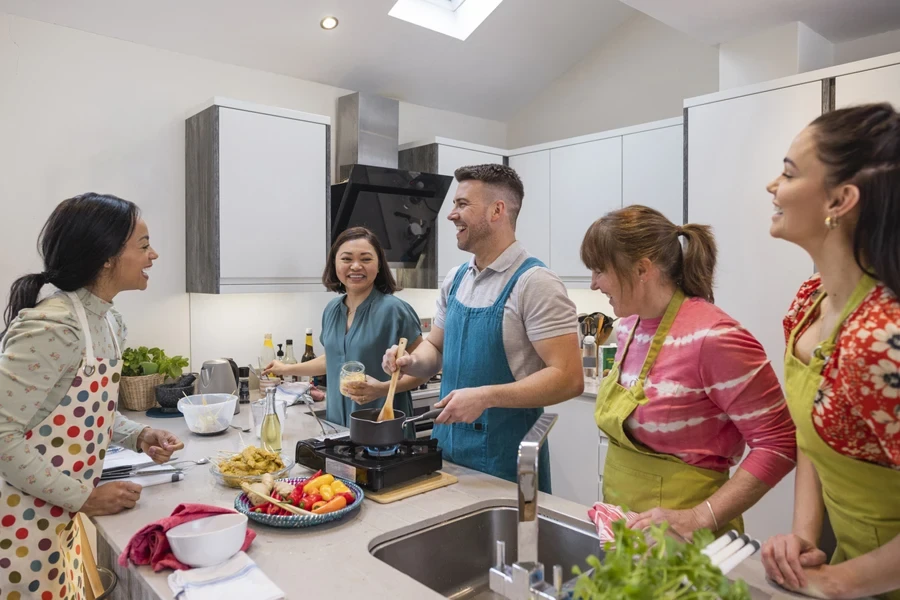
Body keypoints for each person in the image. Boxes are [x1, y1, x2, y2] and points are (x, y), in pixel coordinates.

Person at [0, 193, 183, 600]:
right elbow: (2, 436)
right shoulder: (53, 326)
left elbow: (83, 410)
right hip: (15, 517)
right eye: (142, 245)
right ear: (105, 257)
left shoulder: (110, 322)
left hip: (56, 511)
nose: (154, 255)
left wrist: (138, 435)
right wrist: (84, 496)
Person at [583, 205, 797, 539]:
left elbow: (779, 443)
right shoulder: (627, 330)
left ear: (642, 269)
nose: (594, 284)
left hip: (688, 541)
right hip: (626, 532)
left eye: (599, 270)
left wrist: (699, 517)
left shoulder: (715, 337)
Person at [761, 103, 900, 600]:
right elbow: (813, 433)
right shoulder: (808, 304)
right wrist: (803, 537)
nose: (772, 186)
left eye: (789, 172)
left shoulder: (880, 340)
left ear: (841, 200)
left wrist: (839, 582)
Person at [382, 164, 583, 492]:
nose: (451, 215)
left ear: (497, 211)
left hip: (506, 464)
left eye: (462, 204)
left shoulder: (535, 283)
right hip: (444, 455)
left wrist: (487, 397)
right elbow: (436, 348)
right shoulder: (456, 278)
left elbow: (569, 378)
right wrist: (410, 361)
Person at [264, 227, 426, 427]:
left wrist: (381, 389)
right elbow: (335, 358)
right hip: (338, 425)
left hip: (384, 426)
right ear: (335, 264)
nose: (356, 266)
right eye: (347, 259)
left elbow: (424, 370)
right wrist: (286, 368)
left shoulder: (394, 310)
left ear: (379, 265)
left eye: (366, 259)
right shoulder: (332, 310)